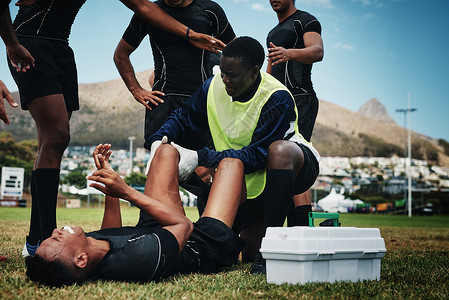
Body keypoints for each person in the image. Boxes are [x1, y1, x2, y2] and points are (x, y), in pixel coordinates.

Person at [7, 0, 229, 258]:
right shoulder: (153, 14)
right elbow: (138, 20)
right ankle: (40, 240)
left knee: (50, 141)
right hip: (32, 41)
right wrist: (137, 88)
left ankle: (36, 239)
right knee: (56, 137)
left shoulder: (209, 10)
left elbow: (143, 5)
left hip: (61, 47)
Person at [145, 36, 320, 274]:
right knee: (242, 253)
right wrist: (159, 140)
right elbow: (184, 117)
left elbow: (258, 155)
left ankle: (273, 246)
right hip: (244, 178)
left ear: (253, 72)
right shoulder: (214, 84)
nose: (225, 79)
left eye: (233, 75)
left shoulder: (277, 97)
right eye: (223, 72)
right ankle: (259, 238)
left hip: (291, 167)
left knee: (278, 151)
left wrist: (199, 157)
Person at [25, 142, 245, 287]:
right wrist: (127, 192)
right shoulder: (134, 260)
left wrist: (110, 185)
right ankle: (211, 191)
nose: (56, 231)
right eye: (56, 239)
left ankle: (203, 185)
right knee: (231, 165)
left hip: (155, 230)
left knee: (165, 151)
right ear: (81, 260)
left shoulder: (87, 247)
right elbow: (184, 226)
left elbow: (111, 233)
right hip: (199, 244)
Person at [114, 0, 235, 222]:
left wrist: (227, 89)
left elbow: (236, 52)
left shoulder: (210, 11)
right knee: (160, 169)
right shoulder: (148, 12)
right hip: (164, 103)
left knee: (210, 170)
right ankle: (151, 230)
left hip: (203, 104)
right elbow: (121, 54)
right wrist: (136, 90)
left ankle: (209, 230)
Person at [266, 0, 324, 227]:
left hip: (301, 98)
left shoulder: (305, 20)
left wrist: (289, 53)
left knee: (296, 157)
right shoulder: (272, 32)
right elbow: (270, 70)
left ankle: (300, 227)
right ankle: (283, 228)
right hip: (279, 102)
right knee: (278, 161)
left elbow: (317, 51)